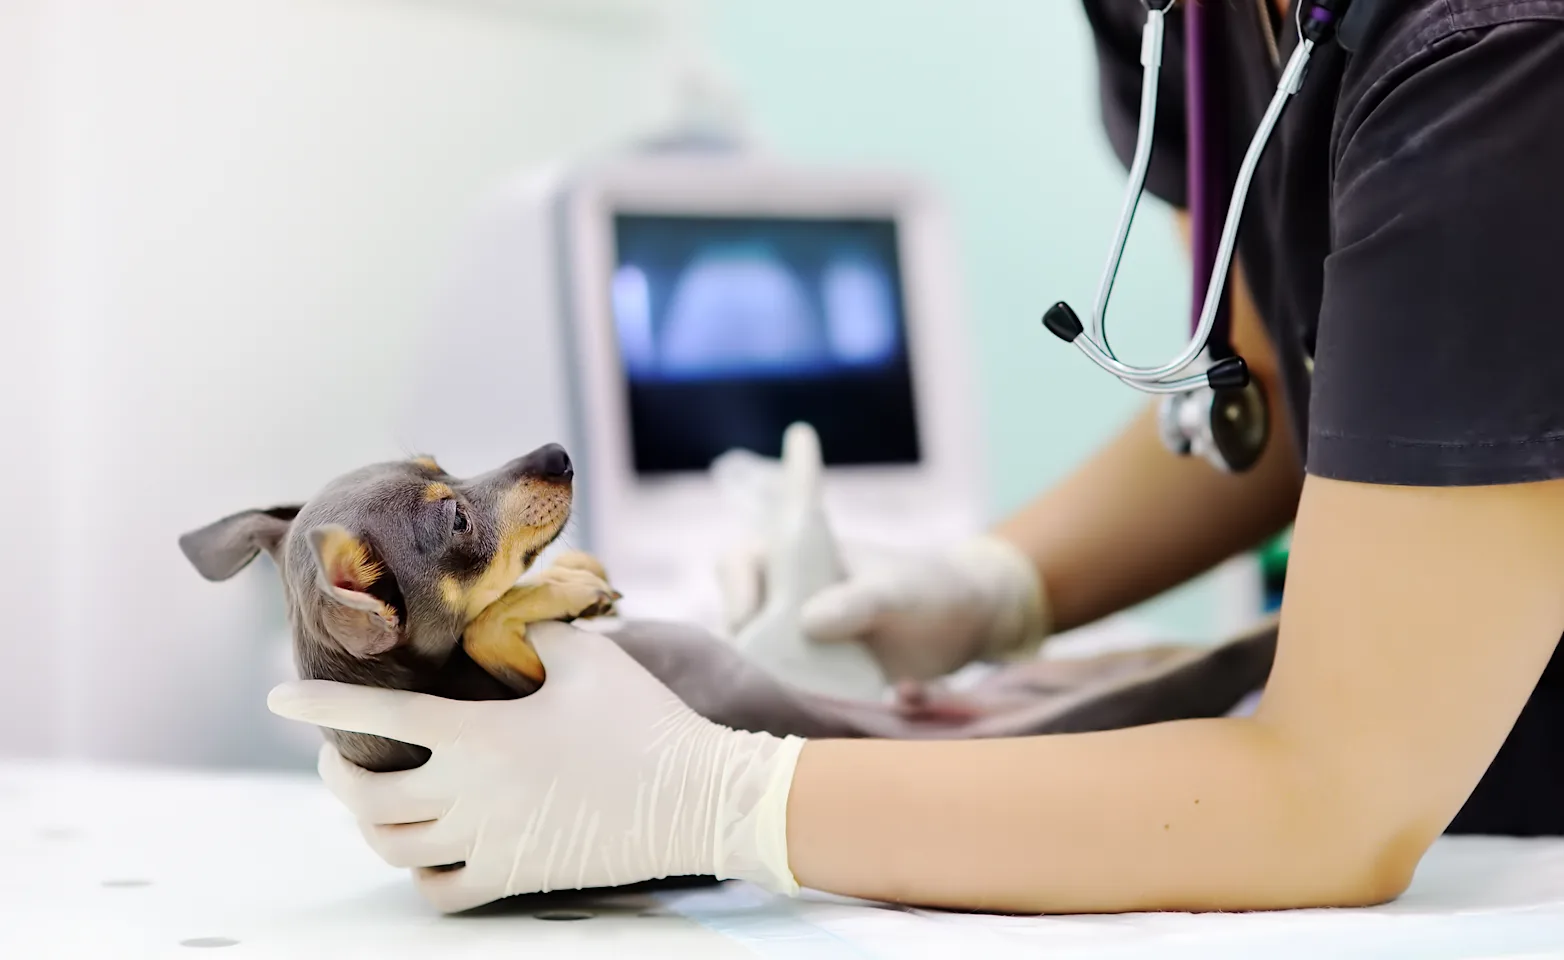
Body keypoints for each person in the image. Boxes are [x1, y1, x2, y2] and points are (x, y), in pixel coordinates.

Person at [266, 0, 1564, 916]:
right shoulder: (1173, 17)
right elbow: (1271, 386)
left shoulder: (1502, 71)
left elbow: (1334, 799)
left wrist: (720, 799)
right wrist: (991, 587)